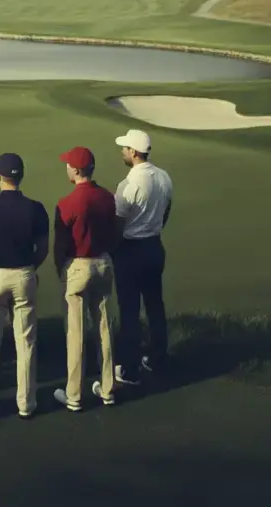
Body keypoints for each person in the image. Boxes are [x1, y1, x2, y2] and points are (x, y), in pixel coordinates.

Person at [0, 153, 49, 419]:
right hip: (24, 274)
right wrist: (31, 269)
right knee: (25, 342)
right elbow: (43, 248)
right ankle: (26, 403)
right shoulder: (36, 208)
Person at [52, 146, 120, 410]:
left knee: (76, 333)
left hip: (78, 268)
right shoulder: (107, 197)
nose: (66, 167)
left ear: (77, 170)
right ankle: (107, 389)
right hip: (104, 264)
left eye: (68, 164)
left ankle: (75, 395)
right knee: (104, 328)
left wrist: (60, 268)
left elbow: (60, 245)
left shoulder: (66, 203)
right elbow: (114, 233)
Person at [112, 129, 174, 386]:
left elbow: (117, 223)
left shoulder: (129, 185)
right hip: (154, 246)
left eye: (125, 148)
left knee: (129, 311)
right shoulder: (164, 177)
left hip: (131, 249)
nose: (122, 151)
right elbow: (166, 212)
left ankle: (129, 369)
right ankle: (158, 358)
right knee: (155, 305)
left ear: (134, 153)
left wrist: (114, 249)